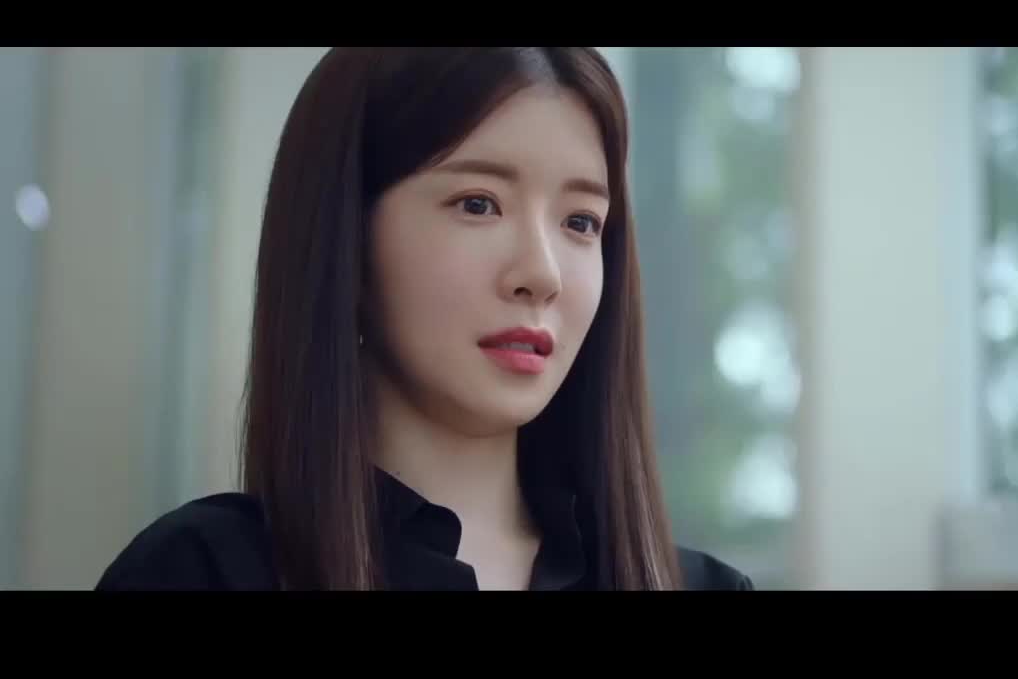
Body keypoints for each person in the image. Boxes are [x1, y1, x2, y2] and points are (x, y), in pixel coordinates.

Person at [95, 47, 754, 591]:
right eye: (478, 204)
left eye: (581, 222)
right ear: (347, 235)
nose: (542, 272)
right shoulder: (200, 572)